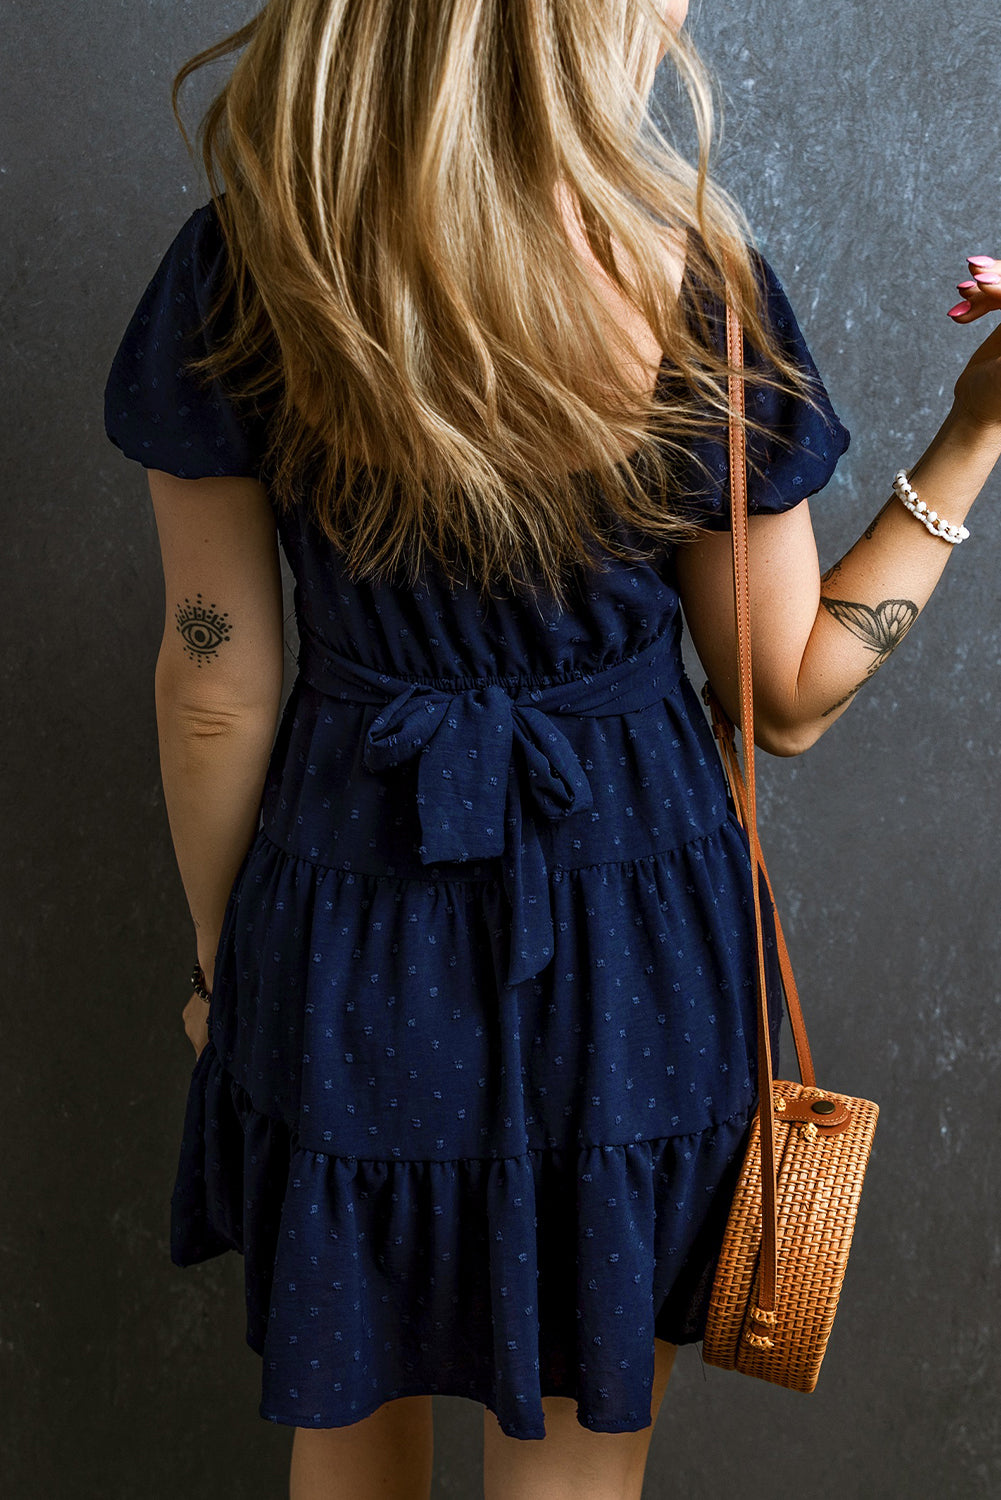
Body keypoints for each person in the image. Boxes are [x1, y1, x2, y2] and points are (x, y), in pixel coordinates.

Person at [103, 2, 1001, 1497]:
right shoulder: (694, 285)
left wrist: (225, 972)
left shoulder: (247, 269)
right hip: (634, 945)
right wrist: (973, 434)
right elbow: (789, 696)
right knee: (581, 1469)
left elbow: (214, 683)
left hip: (344, 927)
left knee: (348, 1438)